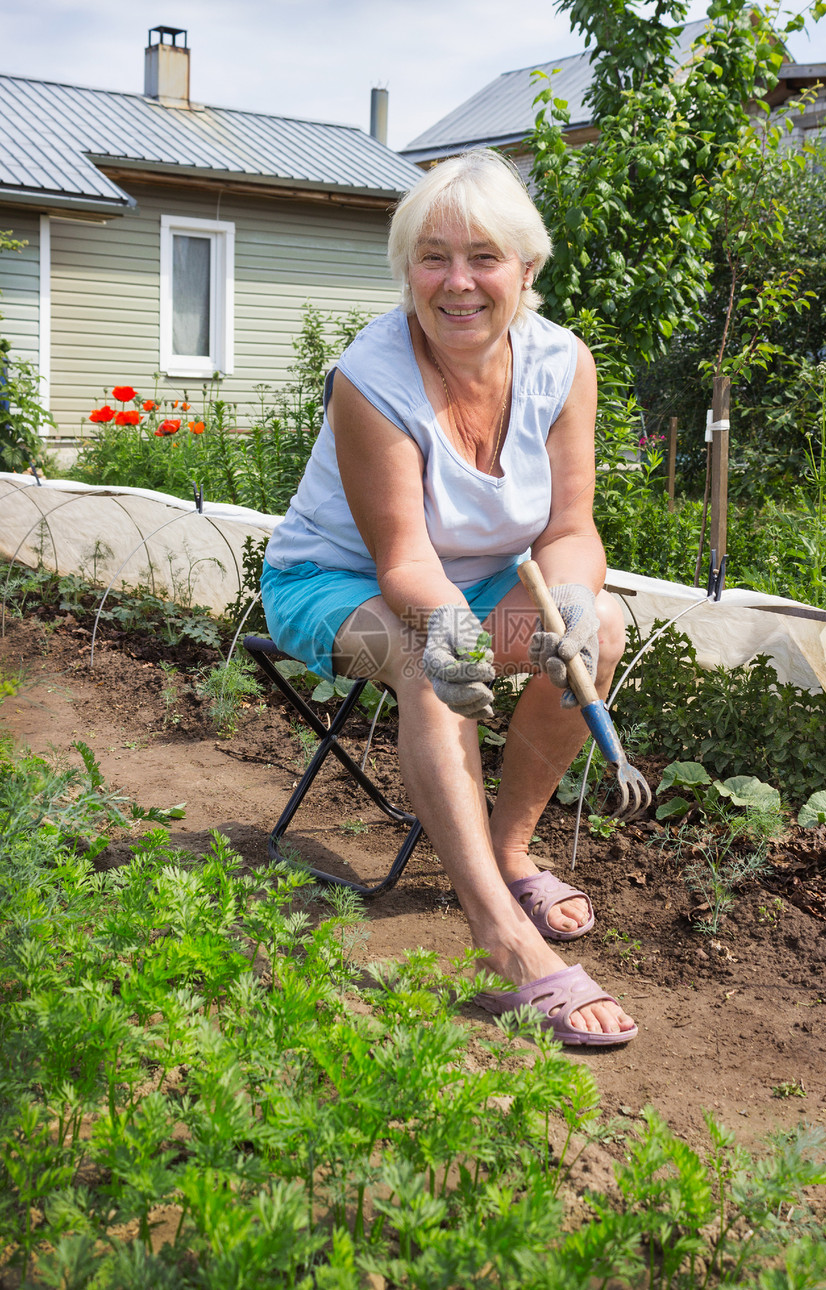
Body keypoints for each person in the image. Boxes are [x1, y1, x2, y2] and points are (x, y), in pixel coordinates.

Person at [262, 149, 637, 1046]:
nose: (458, 282)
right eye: (434, 256)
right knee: (435, 659)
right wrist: (453, 628)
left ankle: (509, 852)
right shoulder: (371, 377)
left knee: (605, 625)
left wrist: (573, 603)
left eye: (484, 257)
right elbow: (401, 558)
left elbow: (572, 529)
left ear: (527, 269)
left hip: (477, 575)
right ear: (406, 269)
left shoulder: (561, 364)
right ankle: (500, 935)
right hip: (338, 581)